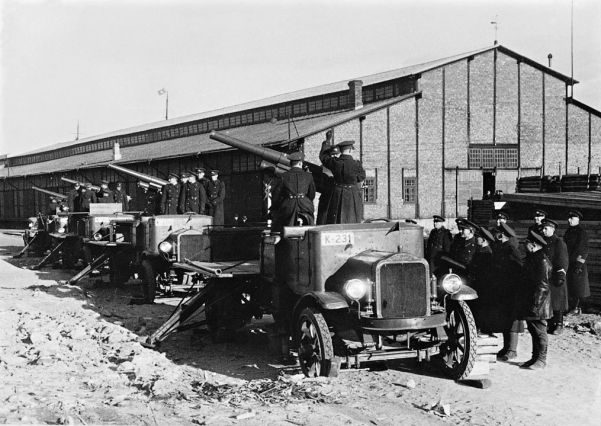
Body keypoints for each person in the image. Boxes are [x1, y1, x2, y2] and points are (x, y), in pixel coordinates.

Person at [518, 230, 552, 370]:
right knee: (533, 330)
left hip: (539, 303)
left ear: (533, 245)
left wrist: (536, 304)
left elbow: (542, 286)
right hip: (532, 300)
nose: (525, 246)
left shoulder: (542, 260)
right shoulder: (533, 257)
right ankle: (534, 357)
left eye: (526, 243)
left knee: (540, 331)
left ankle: (541, 360)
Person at [492, 222, 524, 361]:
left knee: (513, 321)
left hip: (512, 290)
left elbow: (518, 269)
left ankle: (512, 350)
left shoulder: (511, 250)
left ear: (503, 235)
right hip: (503, 289)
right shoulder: (500, 248)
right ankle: (506, 348)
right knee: (505, 319)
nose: (496, 235)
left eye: (498, 233)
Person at [319, 139, 366, 224]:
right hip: (352, 193)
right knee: (352, 217)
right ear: (350, 149)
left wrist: (326, 143)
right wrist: (353, 179)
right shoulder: (356, 164)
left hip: (337, 193)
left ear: (340, 150)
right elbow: (362, 176)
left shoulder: (335, 162)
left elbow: (323, 157)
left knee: (337, 217)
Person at [270, 152, 316, 231]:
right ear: (300, 163)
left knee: (280, 226)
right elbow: (312, 194)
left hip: (288, 206)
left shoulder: (283, 176)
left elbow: (276, 196)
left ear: (290, 164)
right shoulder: (308, 176)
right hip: (305, 205)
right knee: (310, 222)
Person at [541, 219, 569, 334]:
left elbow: (563, 260)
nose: (543, 230)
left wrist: (561, 274)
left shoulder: (559, 243)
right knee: (549, 301)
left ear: (553, 229)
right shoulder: (542, 241)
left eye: (546, 228)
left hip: (556, 276)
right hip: (545, 275)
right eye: (543, 228)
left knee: (558, 302)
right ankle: (551, 323)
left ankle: (559, 324)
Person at [563, 210, 590, 315]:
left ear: (578, 220)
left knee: (577, 287)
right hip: (569, 262)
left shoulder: (581, 232)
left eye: (572, 218)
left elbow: (583, 249)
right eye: (569, 218)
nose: (569, 220)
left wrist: (579, 264)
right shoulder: (568, 231)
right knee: (570, 286)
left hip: (577, 264)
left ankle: (576, 308)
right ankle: (572, 307)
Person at [315, 146, 339, 225]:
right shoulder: (323, 168)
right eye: (333, 154)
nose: (334, 156)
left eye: (336, 154)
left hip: (336, 197)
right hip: (326, 196)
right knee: (322, 219)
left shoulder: (341, 166)